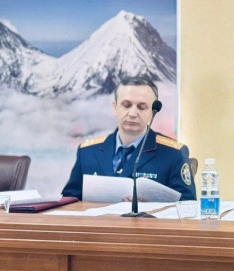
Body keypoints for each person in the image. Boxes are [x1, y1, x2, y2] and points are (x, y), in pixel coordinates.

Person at [62, 77, 196, 201]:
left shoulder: (173, 153)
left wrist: (150, 208)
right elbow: (69, 199)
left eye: (142, 107)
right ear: (115, 107)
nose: (132, 113)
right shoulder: (87, 152)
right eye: (126, 105)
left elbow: (188, 205)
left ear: (152, 111)